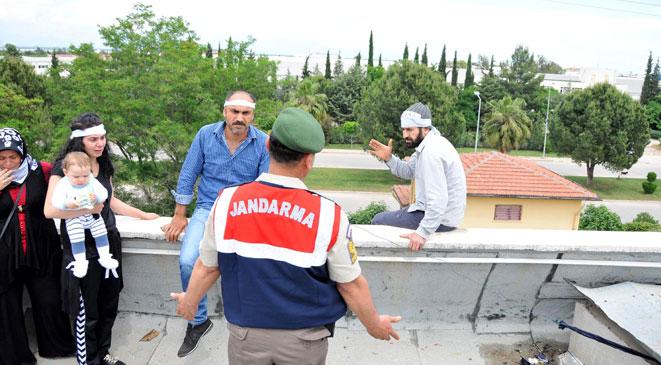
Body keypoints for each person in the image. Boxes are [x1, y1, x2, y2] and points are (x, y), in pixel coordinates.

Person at [172, 107, 401, 365]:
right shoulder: (329, 214)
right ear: (309, 160)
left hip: (245, 337)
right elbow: (350, 284)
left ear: (268, 145)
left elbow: (207, 267)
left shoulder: (226, 201)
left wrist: (190, 302)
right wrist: (374, 325)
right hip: (304, 341)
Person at [44, 113, 159, 365]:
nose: (100, 143)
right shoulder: (63, 166)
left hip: (108, 241)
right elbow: (50, 210)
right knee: (86, 311)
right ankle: (89, 360)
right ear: (79, 141)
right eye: (93, 139)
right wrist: (86, 210)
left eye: (103, 138)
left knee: (109, 303)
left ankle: (103, 353)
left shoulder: (103, 165)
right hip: (81, 250)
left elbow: (110, 201)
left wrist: (142, 214)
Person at [162, 90, 269, 357]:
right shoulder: (205, 135)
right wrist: (179, 214)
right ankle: (198, 321)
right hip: (207, 209)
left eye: (245, 113)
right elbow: (188, 173)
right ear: (225, 112)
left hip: (244, 212)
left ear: (252, 116)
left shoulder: (263, 143)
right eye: (235, 112)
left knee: (251, 266)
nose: (239, 118)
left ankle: (252, 326)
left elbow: (264, 187)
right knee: (188, 260)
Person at [0, 127, 75, 365]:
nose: (9, 163)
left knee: (49, 299)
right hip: (4, 253)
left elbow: (77, 181)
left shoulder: (40, 170)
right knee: (7, 306)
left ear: (22, 154)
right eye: (1, 158)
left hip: (42, 248)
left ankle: (56, 347)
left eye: (13, 157)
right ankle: (15, 357)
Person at [368, 102, 466, 251]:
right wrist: (389, 158)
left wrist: (422, 233)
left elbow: (438, 199)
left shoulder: (431, 152)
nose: (405, 135)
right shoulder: (428, 144)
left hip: (439, 220)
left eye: (409, 130)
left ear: (425, 128)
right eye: (403, 129)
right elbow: (408, 171)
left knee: (377, 220)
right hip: (434, 214)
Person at [51, 152, 117, 278]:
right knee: (77, 237)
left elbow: (104, 194)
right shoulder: (64, 184)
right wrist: (68, 204)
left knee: (101, 232)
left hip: (93, 216)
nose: (81, 180)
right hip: (74, 217)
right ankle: (80, 261)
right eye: (76, 177)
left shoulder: (91, 181)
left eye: (85, 175)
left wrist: (97, 197)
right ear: (66, 172)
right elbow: (56, 201)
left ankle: (105, 256)